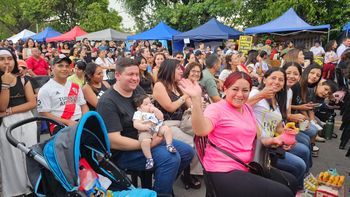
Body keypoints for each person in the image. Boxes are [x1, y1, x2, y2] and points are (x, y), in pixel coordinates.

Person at [178, 72, 297, 197]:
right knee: (284, 193)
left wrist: (274, 140)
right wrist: (196, 100)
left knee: (291, 182)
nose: (240, 94)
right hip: (223, 168)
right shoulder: (217, 109)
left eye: (245, 90)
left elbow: (255, 139)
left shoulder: (247, 109)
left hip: (248, 164)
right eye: (235, 89)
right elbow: (201, 130)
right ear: (225, 89)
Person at [96, 57, 193, 196]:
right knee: (170, 158)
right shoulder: (108, 101)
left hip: (149, 136)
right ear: (117, 75)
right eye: (130, 74)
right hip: (125, 151)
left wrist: (155, 114)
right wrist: (148, 144)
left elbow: (150, 107)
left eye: (137, 74)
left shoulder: (136, 89)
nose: (135, 78)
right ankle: (162, 193)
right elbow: (113, 140)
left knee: (187, 152)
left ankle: (159, 187)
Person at [247, 68, 309, 189]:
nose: (277, 82)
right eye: (273, 78)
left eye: (281, 80)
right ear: (264, 79)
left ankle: (299, 185)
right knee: (299, 165)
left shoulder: (278, 99)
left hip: (273, 143)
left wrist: (288, 139)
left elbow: (279, 127)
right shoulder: (255, 93)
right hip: (259, 147)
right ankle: (298, 189)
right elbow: (240, 108)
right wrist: (261, 95)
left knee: (303, 150)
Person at [0, 48, 37, 196]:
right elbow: (2, 105)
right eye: (2, 59)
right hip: (6, 125)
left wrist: (9, 111)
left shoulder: (23, 79)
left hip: (26, 120)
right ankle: (15, 190)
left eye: (9, 58)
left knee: (29, 153)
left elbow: (32, 103)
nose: (6, 62)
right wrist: (5, 85)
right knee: (11, 157)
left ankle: (32, 184)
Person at [37, 55, 88, 134]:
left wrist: (84, 120)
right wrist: (67, 122)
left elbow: (83, 105)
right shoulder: (45, 89)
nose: (64, 69)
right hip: (60, 124)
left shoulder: (75, 86)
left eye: (67, 66)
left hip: (80, 122)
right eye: (60, 66)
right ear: (52, 68)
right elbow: (44, 113)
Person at [133, 94, 177, 170]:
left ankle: (169, 145)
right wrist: (144, 127)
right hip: (145, 131)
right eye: (146, 104)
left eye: (150, 103)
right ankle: (149, 158)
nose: (150, 105)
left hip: (156, 127)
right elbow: (136, 124)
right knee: (145, 141)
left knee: (166, 128)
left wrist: (156, 110)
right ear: (139, 108)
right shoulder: (138, 113)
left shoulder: (153, 111)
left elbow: (161, 117)